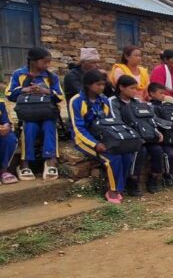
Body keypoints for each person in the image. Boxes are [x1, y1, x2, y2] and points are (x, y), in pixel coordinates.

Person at [69, 70, 133, 204]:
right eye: (98, 85)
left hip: (102, 135)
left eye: (103, 84)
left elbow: (108, 122)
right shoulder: (77, 101)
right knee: (111, 158)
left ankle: (121, 187)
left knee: (126, 153)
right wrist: (95, 144)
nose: (101, 87)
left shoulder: (103, 100)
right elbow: (78, 128)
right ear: (88, 85)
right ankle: (113, 190)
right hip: (83, 139)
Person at [5, 47, 63, 181]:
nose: (48, 65)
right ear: (33, 61)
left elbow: (60, 96)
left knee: (49, 125)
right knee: (29, 127)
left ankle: (50, 160)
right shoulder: (19, 74)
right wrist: (25, 89)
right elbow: (9, 94)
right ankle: (25, 162)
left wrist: (45, 91)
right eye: (45, 62)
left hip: (47, 113)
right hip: (28, 113)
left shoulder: (51, 77)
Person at [109, 75, 164, 195]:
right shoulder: (113, 101)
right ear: (121, 87)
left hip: (144, 136)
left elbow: (149, 119)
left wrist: (156, 132)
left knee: (157, 150)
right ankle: (132, 180)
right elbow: (117, 122)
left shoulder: (137, 102)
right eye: (132, 88)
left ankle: (154, 178)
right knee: (140, 150)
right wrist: (136, 137)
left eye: (136, 88)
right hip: (126, 137)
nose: (135, 91)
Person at [0, 97, 19, 184]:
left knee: (10, 138)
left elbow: (6, 122)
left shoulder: (1, 103)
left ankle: (3, 171)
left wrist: (6, 128)